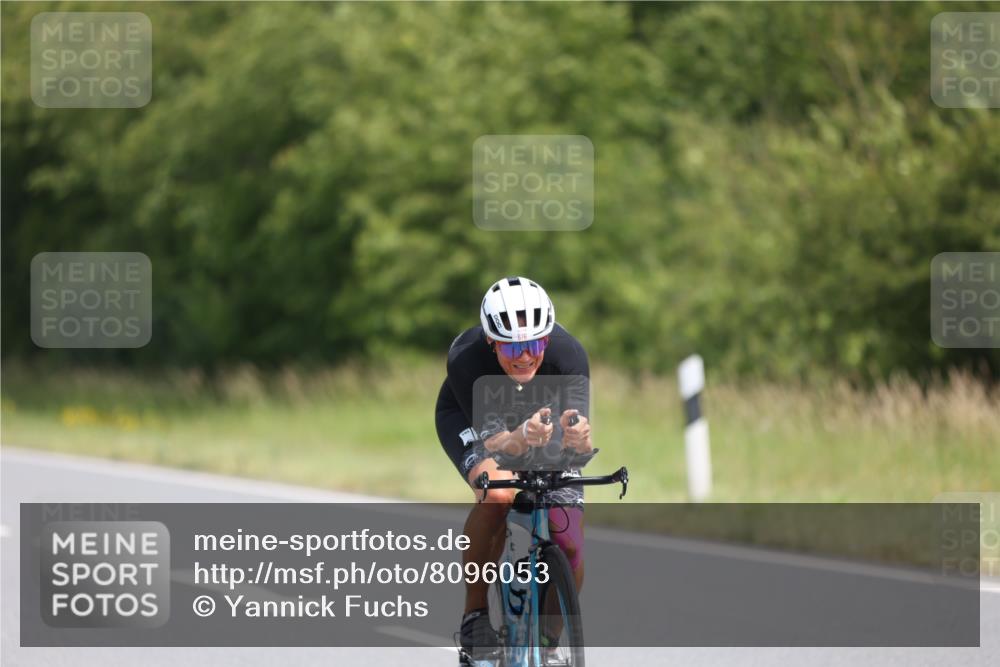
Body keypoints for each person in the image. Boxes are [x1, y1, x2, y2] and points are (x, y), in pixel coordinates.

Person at [435, 276, 593, 664]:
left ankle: (548, 641)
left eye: (535, 344)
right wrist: (522, 435)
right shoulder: (466, 356)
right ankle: (475, 617)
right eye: (512, 347)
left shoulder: (569, 355)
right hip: (472, 419)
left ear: (548, 339)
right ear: (492, 342)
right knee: (499, 492)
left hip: (538, 422)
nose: (525, 356)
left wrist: (579, 441)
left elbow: (576, 433)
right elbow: (496, 443)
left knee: (569, 537)